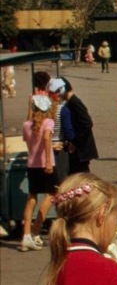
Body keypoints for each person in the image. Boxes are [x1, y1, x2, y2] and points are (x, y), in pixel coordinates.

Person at [20, 93, 56, 250]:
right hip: (46, 164)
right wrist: (48, 159)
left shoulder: (26, 125)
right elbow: (47, 138)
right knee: (50, 195)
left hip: (32, 164)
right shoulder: (48, 122)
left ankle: (26, 234)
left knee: (31, 198)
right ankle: (36, 228)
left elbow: (28, 144)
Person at [52, 77, 98, 176]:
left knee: (81, 176)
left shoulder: (75, 102)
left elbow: (87, 123)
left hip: (81, 148)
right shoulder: (71, 102)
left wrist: (74, 141)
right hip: (79, 147)